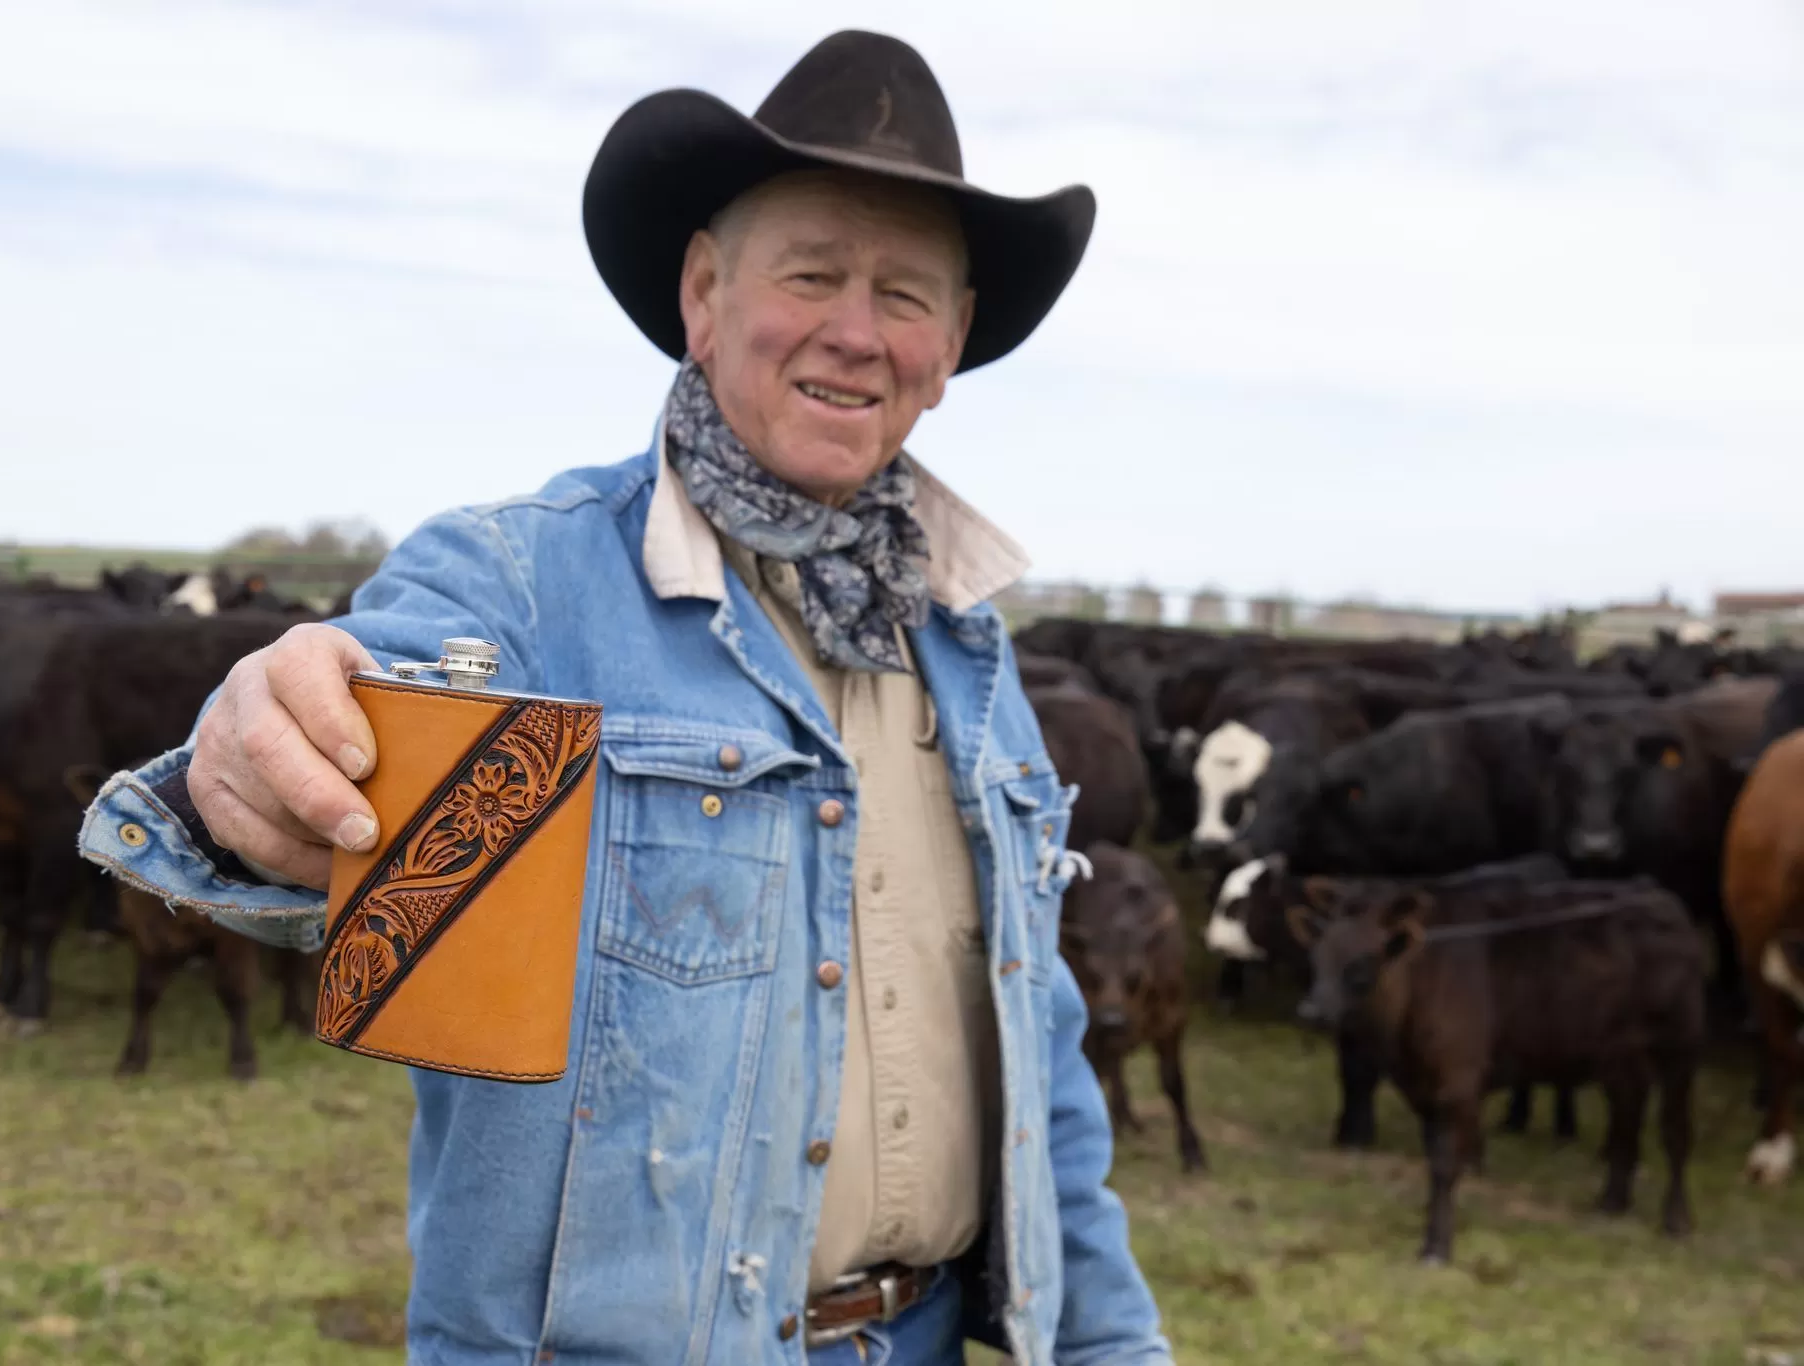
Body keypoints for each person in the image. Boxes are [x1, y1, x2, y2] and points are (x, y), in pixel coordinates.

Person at [81, 30, 1171, 1366]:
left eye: (905, 294)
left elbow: (1044, 1065)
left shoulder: (972, 654)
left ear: (949, 348)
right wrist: (249, 745)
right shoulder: (520, 585)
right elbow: (353, 708)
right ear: (705, 296)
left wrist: (1116, 1343)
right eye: (811, 272)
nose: (855, 330)